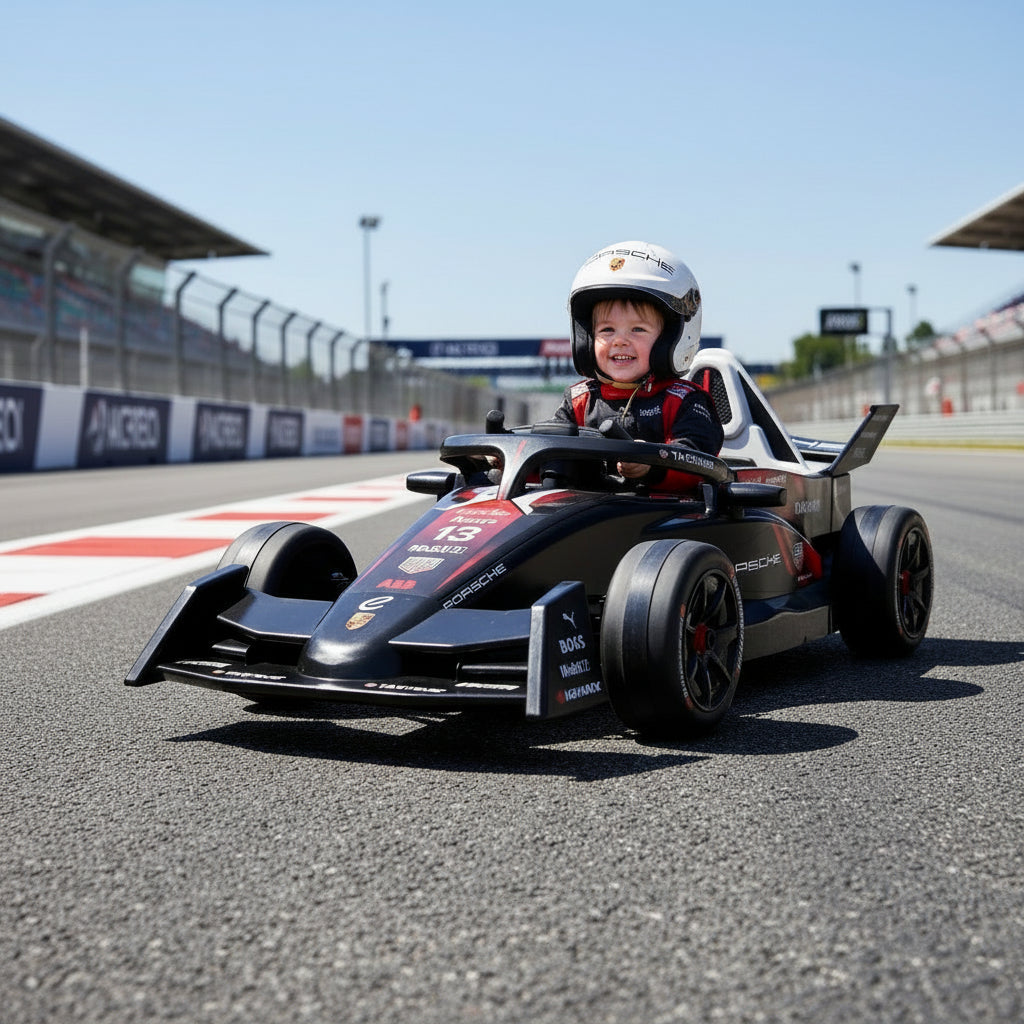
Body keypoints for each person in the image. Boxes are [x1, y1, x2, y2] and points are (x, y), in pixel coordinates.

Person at [552, 240, 723, 488]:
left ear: (670, 338)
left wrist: (653, 463)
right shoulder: (578, 400)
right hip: (582, 517)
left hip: (664, 518)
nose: (620, 341)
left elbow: (700, 458)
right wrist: (505, 460)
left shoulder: (685, 400)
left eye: (638, 329)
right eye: (607, 329)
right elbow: (549, 455)